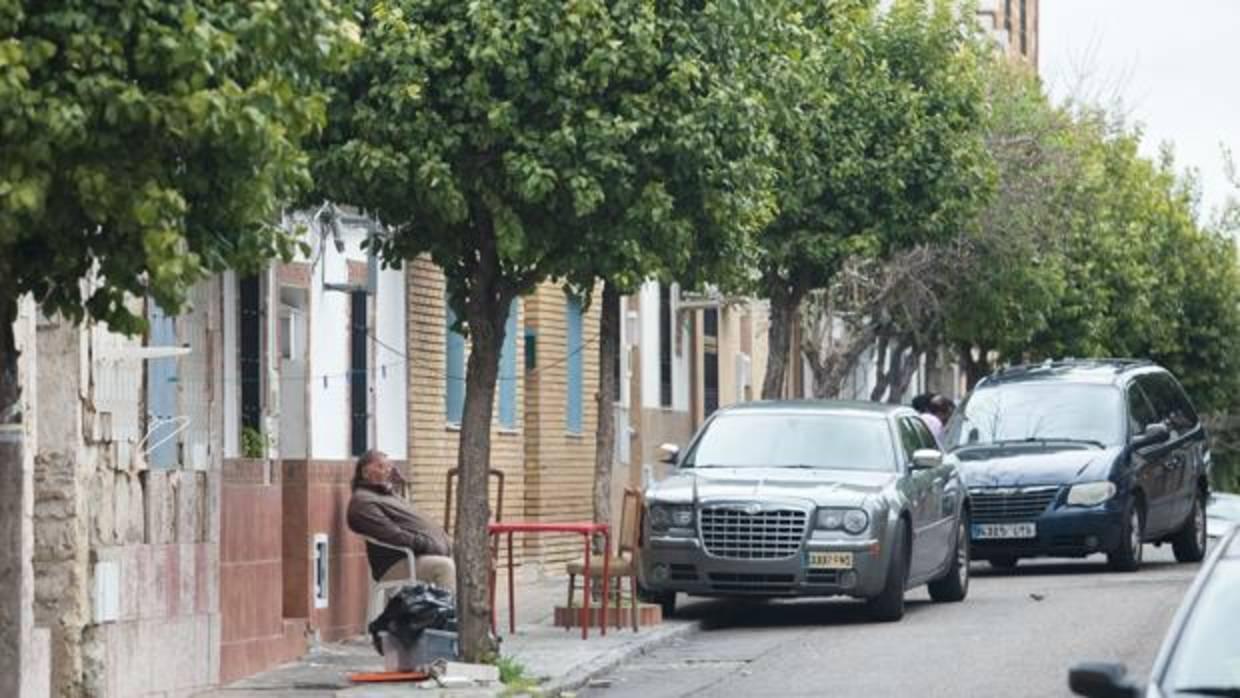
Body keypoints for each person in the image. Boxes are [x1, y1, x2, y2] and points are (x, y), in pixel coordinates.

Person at [347, 449, 456, 591]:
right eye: (381, 467)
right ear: (365, 473)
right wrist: (427, 544)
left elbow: (407, 521)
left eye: (388, 466)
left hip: (414, 556)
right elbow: (393, 534)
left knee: (465, 558)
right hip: (396, 562)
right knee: (444, 567)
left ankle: (460, 612)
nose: (387, 471)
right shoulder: (363, 502)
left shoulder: (385, 494)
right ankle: (445, 613)